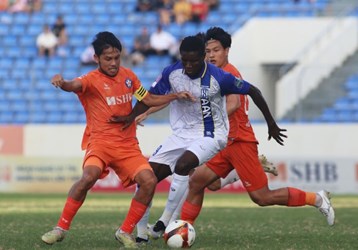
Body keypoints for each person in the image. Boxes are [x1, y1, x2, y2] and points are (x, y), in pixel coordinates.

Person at [109, 35, 287, 242]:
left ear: (203, 57)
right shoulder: (172, 73)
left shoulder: (220, 77)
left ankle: (163, 223)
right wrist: (131, 116)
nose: (189, 65)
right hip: (181, 135)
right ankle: (141, 237)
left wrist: (271, 124)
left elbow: (253, 91)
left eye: (193, 60)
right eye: (185, 60)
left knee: (183, 165)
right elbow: (149, 96)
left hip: (212, 134)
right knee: (146, 179)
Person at [40, 31, 195, 248]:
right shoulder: (90, 80)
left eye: (117, 58)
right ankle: (60, 228)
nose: (113, 63)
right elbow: (73, 85)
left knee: (149, 181)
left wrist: (174, 96)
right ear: (96, 59)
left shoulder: (129, 77)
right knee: (88, 177)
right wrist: (61, 81)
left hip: (127, 146)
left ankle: (125, 231)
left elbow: (148, 98)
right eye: (108, 59)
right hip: (100, 143)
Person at [177, 27, 335, 232]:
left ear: (226, 51)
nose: (211, 55)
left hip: (239, 142)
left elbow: (233, 104)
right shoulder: (211, 73)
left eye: (216, 50)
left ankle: (316, 198)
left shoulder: (229, 73)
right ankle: (183, 230)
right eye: (208, 51)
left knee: (262, 197)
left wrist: (202, 118)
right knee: (198, 182)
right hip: (225, 143)